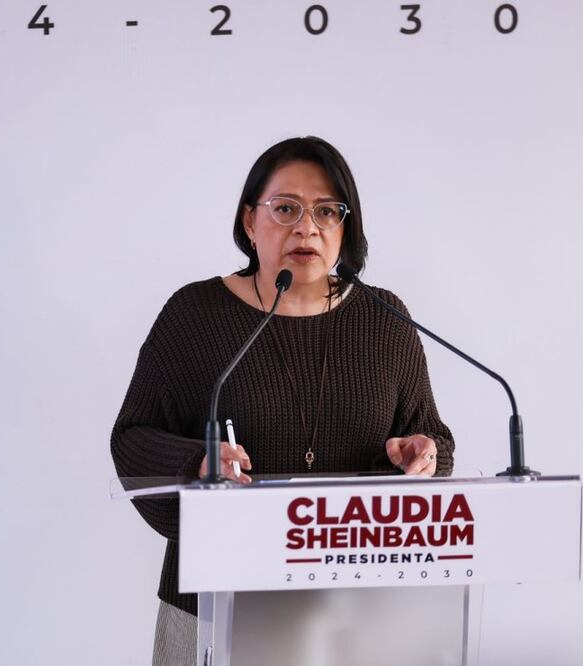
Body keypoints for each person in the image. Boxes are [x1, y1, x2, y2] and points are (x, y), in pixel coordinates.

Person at [109, 136, 454, 665]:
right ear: (250, 222)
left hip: (356, 614)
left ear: (347, 226)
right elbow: (133, 439)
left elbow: (433, 441)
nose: (306, 227)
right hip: (212, 609)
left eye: (326, 212)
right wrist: (196, 463)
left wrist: (422, 456)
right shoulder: (196, 315)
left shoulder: (385, 320)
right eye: (285, 208)